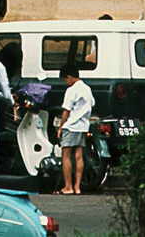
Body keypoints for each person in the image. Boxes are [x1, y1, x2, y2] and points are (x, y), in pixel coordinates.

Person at [57, 64, 94, 195]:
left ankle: (68, 187)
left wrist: (61, 127)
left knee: (66, 156)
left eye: (65, 80)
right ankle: (77, 187)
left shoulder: (71, 90)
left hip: (71, 126)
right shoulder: (87, 89)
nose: (66, 82)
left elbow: (66, 111)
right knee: (79, 156)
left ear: (69, 77)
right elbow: (92, 104)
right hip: (83, 126)